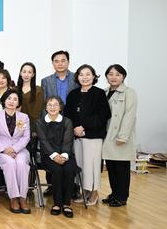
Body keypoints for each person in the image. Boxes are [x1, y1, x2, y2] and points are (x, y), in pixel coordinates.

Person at [64, 64, 111, 206]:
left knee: (92, 165)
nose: (84, 77)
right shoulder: (73, 94)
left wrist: (84, 127)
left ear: (93, 76)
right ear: (77, 77)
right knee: (81, 165)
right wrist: (74, 128)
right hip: (77, 136)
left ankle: (94, 192)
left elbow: (103, 115)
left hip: (93, 136)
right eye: (81, 74)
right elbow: (68, 114)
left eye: (88, 74)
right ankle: (84, 191)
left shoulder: (99, 93)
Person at [41, 51, 77, 197]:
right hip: (51, 122)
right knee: (51, 151)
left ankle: (72, 187)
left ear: (68, 62)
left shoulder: (76, 78)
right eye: (56, 61)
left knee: (69, 153)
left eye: (63, 60)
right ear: (53, 63)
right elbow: (44, 104)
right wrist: (45, 125)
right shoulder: (46, 81)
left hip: (70, 121)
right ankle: (52, 186)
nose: (60, 63)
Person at [0, 90, 32, 214]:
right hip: (1, 151)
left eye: (15, 99)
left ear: (18, 103)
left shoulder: (24, 117)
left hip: (20, 150)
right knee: (10, 163)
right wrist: (5, 149)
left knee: (22, 163)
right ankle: (13, 197)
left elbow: (26, 137)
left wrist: (14, 149)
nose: (11, 101)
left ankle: (22, 197)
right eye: (9, 98)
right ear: (4, 101)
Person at [102, 64, 138, 207]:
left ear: (123, 77)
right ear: (106, 76)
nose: (114, 77)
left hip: (120, 136)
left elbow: (130, 116)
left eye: (117, 74)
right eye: (111, 74)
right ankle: (114, 193)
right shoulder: (104, 92)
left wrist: (123, 136)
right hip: (108, 134)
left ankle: (122, 197)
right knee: (111, 166)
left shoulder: (129, 93)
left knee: (121, 168)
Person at [36, 96, 77, 218]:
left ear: (60, 107)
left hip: (65, 154)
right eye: (49, 105)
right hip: (48, 155)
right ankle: (58, 203)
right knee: (57, 170)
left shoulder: (67, 121)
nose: (52, 107)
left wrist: (63, 155)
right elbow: (44, 142)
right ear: (45, 107)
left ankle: (66, 203)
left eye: (55, 105)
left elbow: (68, 141)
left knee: (69, 169)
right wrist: (54, 156)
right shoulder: (40, 122)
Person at [17, 62, 44, 142]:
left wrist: (34, 129)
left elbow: (37, 112)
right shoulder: (14, 89)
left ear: (33, 74)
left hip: (31, 127)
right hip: (16, 127)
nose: (26, 74)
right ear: (20, 73)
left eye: (29, 72)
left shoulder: (38, 90)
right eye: (24, 71)